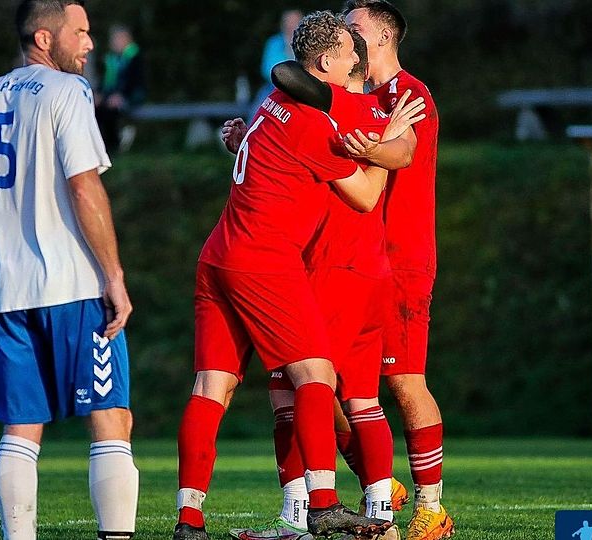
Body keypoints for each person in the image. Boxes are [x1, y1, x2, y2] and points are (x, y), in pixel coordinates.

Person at [173, 12, 396, 540]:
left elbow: (262, 142)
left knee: (211, 387)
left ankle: (189, 519)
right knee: (316, 375)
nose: (355, 60)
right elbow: (365, 196)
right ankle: (322, 504)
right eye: (348, 52)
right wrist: (387, 145)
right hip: (264, 259)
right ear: (324, 64)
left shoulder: (267, 104)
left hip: (218, 255)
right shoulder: (314, 125)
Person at [0, 2, 138, 539]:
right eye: (81, 32)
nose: (90, 43)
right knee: (111, 419)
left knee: (21, 429)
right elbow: (84, 185)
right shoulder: (67, 92)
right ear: (45, 39)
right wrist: (114, 277)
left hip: (8, 290)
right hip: (74, 284)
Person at [223, 30, 424, 540]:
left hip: (335, 269)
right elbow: (400, 148)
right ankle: (378, 511)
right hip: (344, 267)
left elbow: (380, 174)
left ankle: (305, 517)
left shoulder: (337, 115)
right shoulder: (371, 113)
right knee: (355, 397)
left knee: (300, 394)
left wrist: (377, 156)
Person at [341, 2, 453, 539]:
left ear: (384, 35)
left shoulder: (412, 93)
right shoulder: (354, 95)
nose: (345, 32)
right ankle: (381, 482)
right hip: (353, 260)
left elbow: (397, 155)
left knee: (405, 381)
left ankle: (431, 507)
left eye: (354, 26)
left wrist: (357, 143)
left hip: (402, 257)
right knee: (325, 383)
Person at [95, 23, 145, 152]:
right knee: (97, 107)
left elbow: (135, 82)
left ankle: (114, 146)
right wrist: (99, 94)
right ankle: (102, 147)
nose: (113, 42)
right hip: (112, 95)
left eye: (116, 39)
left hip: (131, 95)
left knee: (112, 109)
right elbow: (106, 81)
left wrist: (121, 96)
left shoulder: (135, 57)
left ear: (126, 39)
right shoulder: (112, 58)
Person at [248, 10, 303, 118]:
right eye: (288, 22)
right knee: (257, 111)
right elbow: (267, 69)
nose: (291, 25)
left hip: (302, 88)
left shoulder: (306, 43)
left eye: (294, 22)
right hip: (274, 87)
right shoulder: (274, 43)